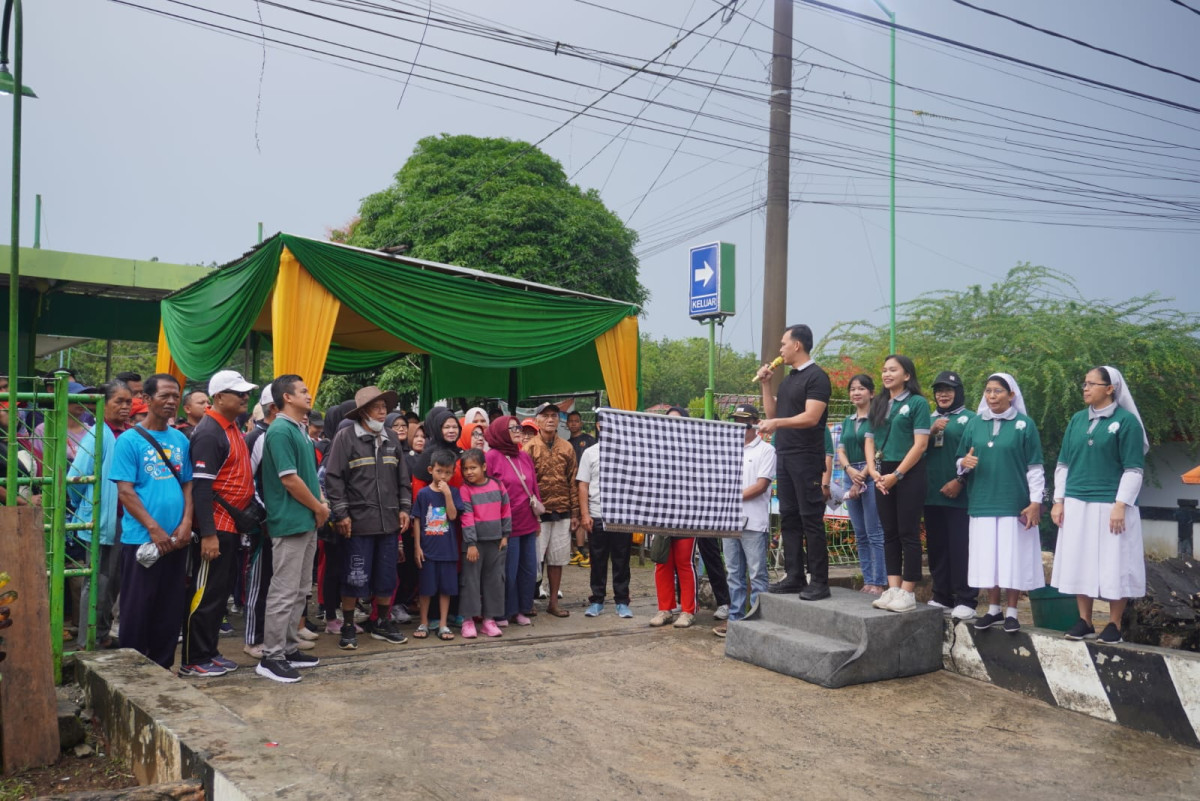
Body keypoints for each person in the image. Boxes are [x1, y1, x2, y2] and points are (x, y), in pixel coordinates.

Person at [1051, 366, 1147, 644]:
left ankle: (1114, 624)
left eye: (1092, 384)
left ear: (1110, 388)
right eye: (1084, 383)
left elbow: (1133, 469)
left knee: (1116, 561)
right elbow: (1063, 463)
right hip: (1077, 501)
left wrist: (1120, 505)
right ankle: (1085, 620)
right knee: (1079, 559)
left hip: (1111, 503)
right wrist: (1059, 501)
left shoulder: (1127, 422)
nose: (1085, 388)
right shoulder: (1077, 420)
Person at [110, 373, 193, 670]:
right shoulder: (129, 440)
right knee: (137, 608)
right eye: (164, 396)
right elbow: (125, 491)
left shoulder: (180, 439)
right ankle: (132, 671)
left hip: (176, 539)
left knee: (169, 609)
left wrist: (187, 521)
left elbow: (188, 484)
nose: (171, 402)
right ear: (146, 399)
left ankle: (162, 667)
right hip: (142, 540)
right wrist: (153, 528)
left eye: (175, 396)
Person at [180, 370, 258, 677]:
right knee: (205, 593)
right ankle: (193, 659)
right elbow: (201, 487)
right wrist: (209, 534)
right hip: (216, 525)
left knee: (217, 594)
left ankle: (209, 651)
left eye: (246, 392)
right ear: (220, 397)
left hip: (229, 525)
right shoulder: (210, 432)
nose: (245, 397)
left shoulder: (230, 426)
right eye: (238, 393)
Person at [324, 385, 411, 650]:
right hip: (357, 524)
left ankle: (382, 623)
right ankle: (349, 626)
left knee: (386, 575)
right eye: (377, 407)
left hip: (389, 522)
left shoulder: (391, 438)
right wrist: (341, 514)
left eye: (385, 407)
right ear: (363, 412)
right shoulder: (345, 437)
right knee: (355, 576)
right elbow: (333, 479)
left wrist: (404, 508)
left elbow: (403, 478)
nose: (383, 412)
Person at [958, 373, 1045, 632]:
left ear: (1011, 395)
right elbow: (959, 459)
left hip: (1013, 503)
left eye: (998, 391)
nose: (992, 396)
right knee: (989, 558)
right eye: (988, 391)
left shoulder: (1024, 425)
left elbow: (1035, 467)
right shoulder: (974, 424)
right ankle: (994, 610)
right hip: (982, 501)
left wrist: (1035, 502)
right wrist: (964, 463)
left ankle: (1013, 612)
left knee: (1011, 559)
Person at [256, 375, 327, 683]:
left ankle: (288, 647)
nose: (309, 395)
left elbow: (308, 475)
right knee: (284, 591)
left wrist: (320, 504)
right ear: (286, 397)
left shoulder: (299, 429)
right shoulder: (281, 430)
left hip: (307, 520)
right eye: (303, 391)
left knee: (300, 590)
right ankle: (271, 656)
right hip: (289, 521)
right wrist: (319, 507)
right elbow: (289, 479)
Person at [756, 324, 833, 600]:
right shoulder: (788, 380)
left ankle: (819, 581)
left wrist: (778, 423)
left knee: (810, 518)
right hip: (785, 455)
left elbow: (811, 417)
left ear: (797, 345)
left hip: (807, 456)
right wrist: (766, 384)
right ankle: (794, 576)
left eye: (783, 344)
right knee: (788, 516)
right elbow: (772, 414)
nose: (780, 350)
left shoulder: (817, 377)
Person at [68, 380, 133, 649]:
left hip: (123, 517)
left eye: (128, 401)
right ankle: (88, 641)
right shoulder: (98, 434)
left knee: (113, 581)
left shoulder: (124, 432)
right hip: (103, 518)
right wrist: (87, 508)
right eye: (119, 401)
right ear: (103, 404)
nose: (125, 406)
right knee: (97, 581)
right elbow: (76, 478)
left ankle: (102, 634)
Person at [865, 355, 931, 613]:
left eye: (893, 370)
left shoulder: (917, 403)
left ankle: (908, 591)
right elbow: (869, 439)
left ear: (907, 375)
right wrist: (873, 471)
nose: (886, 374)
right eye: (884, 370)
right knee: (889, 531)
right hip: (883, 471)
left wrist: (897, 475)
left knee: (908, 532)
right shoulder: (879, 403)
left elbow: (921, 445)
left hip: (908, 471)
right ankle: (893, 589)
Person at [714, 404, 776, 637]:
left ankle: (758, 622)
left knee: (757, 573)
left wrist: (730, 496)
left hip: (754, 521)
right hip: (730, 520)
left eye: (744, 421)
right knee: (733, 573)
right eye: (736, 421)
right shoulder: (727, 449)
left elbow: (761, 486)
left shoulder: (766, 450)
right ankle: (735, 619)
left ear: (755, 423)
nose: (739, 425)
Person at [665, 405, 731, 617]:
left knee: (710, 553)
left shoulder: (705, 446)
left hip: (704, 509)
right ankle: (683, 600)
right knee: (680, 558)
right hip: (678, 510)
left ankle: (723, 601)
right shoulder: (666, 447)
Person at [924, 371, 978, 621]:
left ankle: (966, 598)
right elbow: (913, 449)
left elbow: (976, 456)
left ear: (959, 392)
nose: (943, 394)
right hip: (930, 494)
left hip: (960, 496)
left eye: (948, 390)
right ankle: (941, 595)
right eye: (939, 390)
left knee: (960, 548)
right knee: (937, 547)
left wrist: (960, 481)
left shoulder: (971, 419)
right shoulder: (928, 419)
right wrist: (930, 431)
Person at [485, 416, 542, 627]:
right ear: (501, 432)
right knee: (507, 571)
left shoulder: (523, 456)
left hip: (528, 522)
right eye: (512, 428)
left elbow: (534, 488)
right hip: (506, 525)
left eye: (518, 426)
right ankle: (502, 612)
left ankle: (521, 609)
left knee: (528, 570)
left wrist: (537, 520)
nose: (518, 430)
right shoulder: (491, 457)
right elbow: (486, 491)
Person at [525, 403, 579, 617]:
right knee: (534, 559)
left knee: (557, 560)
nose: (550, 419)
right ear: (537, 420)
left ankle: (553, 601)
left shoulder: (567, 447)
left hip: (562, 511)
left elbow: (573, 480)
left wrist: (575, 513)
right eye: (545, 416)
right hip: (538, 514)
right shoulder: (529, 448)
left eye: (554, 416)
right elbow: (526, 483)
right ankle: (528, 601)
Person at [577, 420, 633, 620]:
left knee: (622, 560)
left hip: (622, 516)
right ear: (599, 426)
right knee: (597, 560)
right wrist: (585, 514)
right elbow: (583, 485)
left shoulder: (627, 451)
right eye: (605, 423)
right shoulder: (590, 453)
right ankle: (597, 600)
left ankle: (622, 601)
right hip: (597, 514)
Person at [837, 374, 886, 596]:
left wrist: (863, 474)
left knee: (874, 531)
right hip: (850, 473)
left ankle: (879, 581)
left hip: (872, 473)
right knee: (860, 533)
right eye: (853, 389)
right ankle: (868, 580)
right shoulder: (847, 421)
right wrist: (849, 470)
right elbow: (840, 449)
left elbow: (878, 451)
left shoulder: (878, 419)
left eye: (861, 388)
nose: (856, 393)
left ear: (872, 393)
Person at [457, 448, 510, 638]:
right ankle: (468, 620)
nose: (469, 472)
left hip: (496, 542)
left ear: (484, 467)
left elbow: (506, 510)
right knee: (470, 582)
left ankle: (489, 620)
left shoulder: (497, 485)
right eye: (465, 469)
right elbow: (467, 517)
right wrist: (471, 543)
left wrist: (505, 534)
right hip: (474, 545)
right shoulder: (465, 489)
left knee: (494, 581)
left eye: (473, 468)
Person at [241, 385, 276, 659]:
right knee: (260, 581)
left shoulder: (291, 433)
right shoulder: (257, 437)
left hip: (286, 522)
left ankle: (280, 634)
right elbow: (247, 481)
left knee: (281, 582)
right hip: (265, 522)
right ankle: (254, 638)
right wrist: (263, 514)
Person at [412, 450, 462, 641]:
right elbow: (417, 520)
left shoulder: (454, 492)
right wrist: (417, 547)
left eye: (448, 473)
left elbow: (453, 516)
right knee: (426, 589)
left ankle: (443, 624)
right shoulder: (423, 493)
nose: (443, 476)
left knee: (446, 589)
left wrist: (447, 494)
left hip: (448, 552)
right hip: (428, 551)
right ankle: (424, 622)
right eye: (439, 471)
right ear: (430, 470)